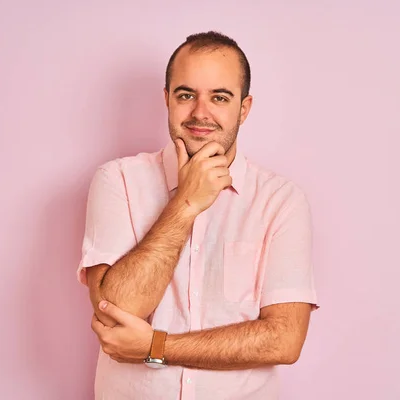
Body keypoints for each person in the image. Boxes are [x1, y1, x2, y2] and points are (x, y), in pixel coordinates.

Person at [77, 31, 319, 400]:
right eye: (186, 95)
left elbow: (283, 340)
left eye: (219, 97)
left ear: (244, 108)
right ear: (167, 100)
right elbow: (118, 311)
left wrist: (156, 345)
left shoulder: (281, 201)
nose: (200, 113)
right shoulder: (118, 181)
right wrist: (185, 203)